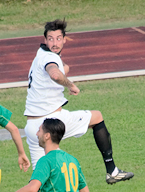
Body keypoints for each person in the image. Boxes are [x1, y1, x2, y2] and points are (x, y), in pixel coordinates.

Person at [24, 19, 134, 183]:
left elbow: (60, 67)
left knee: (39, 181)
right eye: (51, 38)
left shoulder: (41, 54)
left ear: (64, 39)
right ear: (45, 40)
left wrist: (64, 69)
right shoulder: (48, 58)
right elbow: (54, 73)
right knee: (97, 117)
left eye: (58, 38)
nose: (55, 43)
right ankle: (112, 171)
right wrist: (70, 84)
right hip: (51, 122)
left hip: (32, 129)